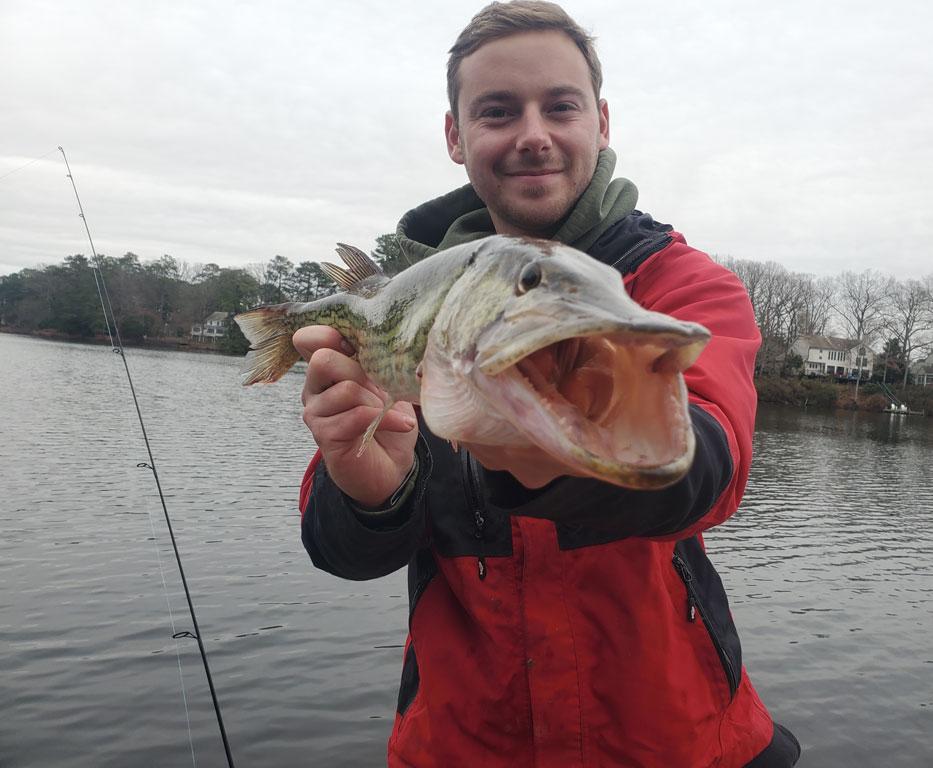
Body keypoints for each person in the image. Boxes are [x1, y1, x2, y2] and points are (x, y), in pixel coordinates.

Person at [294, 2, 801, 766]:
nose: (533, 133)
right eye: (497, 111)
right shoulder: (417, 303)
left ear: (600, 121)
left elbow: (706, 470)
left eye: (560, 106)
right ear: (455, 136)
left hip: (680, 747)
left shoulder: (684, 286)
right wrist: (370, 490)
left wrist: (560, 445)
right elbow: (345, 554)